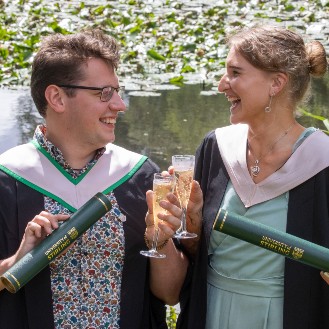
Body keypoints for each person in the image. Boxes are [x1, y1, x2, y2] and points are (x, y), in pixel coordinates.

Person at [0, 28, 186, 329]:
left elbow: (170, 294)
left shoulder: (139, 178)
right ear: (57, 98)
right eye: (104, 93)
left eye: (117, 91)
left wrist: (161, 240)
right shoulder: (8, 180)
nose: (119, 105)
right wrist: (18, 260)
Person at [176, 25, 329, 329]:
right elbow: (197, 258)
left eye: (235, 73)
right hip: (212, 313)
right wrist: (191, 225)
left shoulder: (322, 161)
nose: (222, 85)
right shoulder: (216, 148)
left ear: (276, 83)